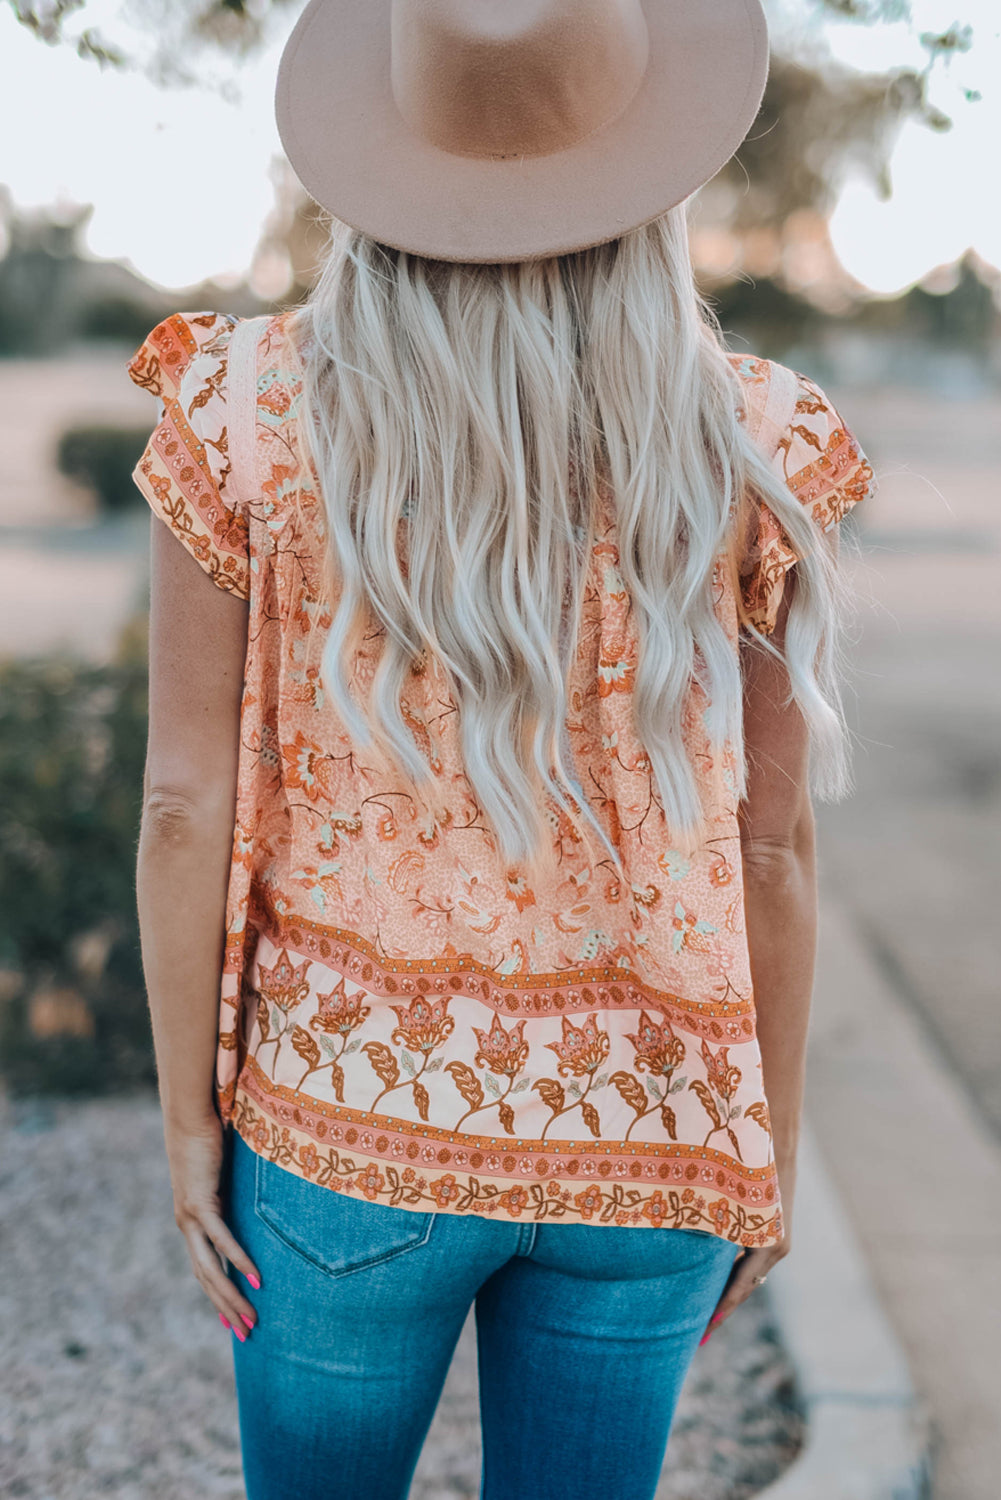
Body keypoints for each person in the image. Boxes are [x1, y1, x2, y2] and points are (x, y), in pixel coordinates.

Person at [131, 3, 875, 1498]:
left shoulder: (246, 416)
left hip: (347, 1128)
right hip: (653, 1127)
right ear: (648, 169)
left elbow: (179, 802)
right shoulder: (751, 442)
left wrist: (185, 1122)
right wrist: (763, 1152)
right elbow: (774, 846)